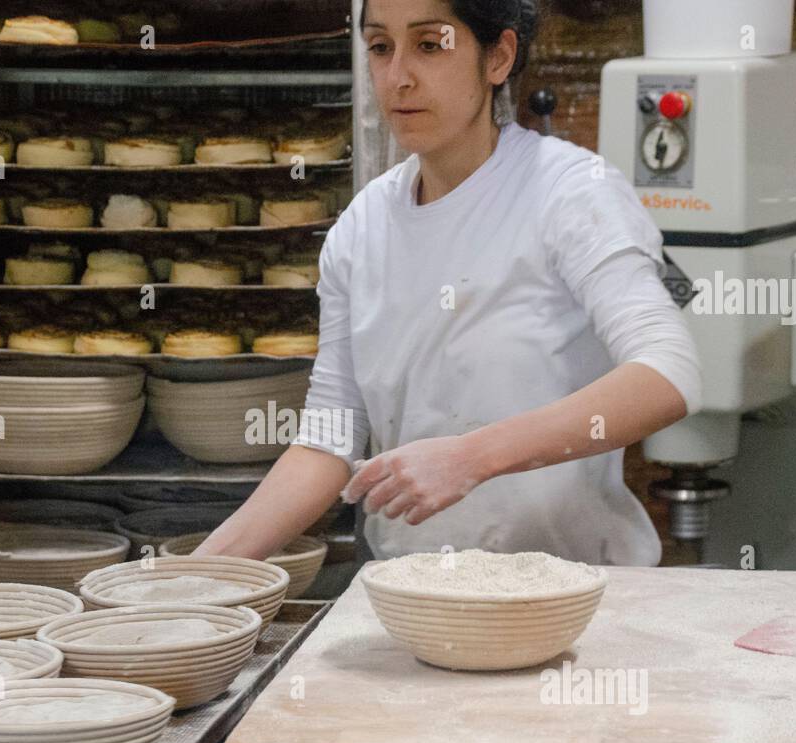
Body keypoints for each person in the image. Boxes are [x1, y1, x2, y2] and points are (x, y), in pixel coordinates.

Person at [196, 0, 701, 566]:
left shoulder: (569, 192)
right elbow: (328, 439)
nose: (398, 76)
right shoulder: (361, 230)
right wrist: (202, 576)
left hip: (579, 601)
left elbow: (666, 374)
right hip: (416, 599)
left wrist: (473, 456)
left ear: (499, 57)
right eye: (381, 48)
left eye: (430, 45)